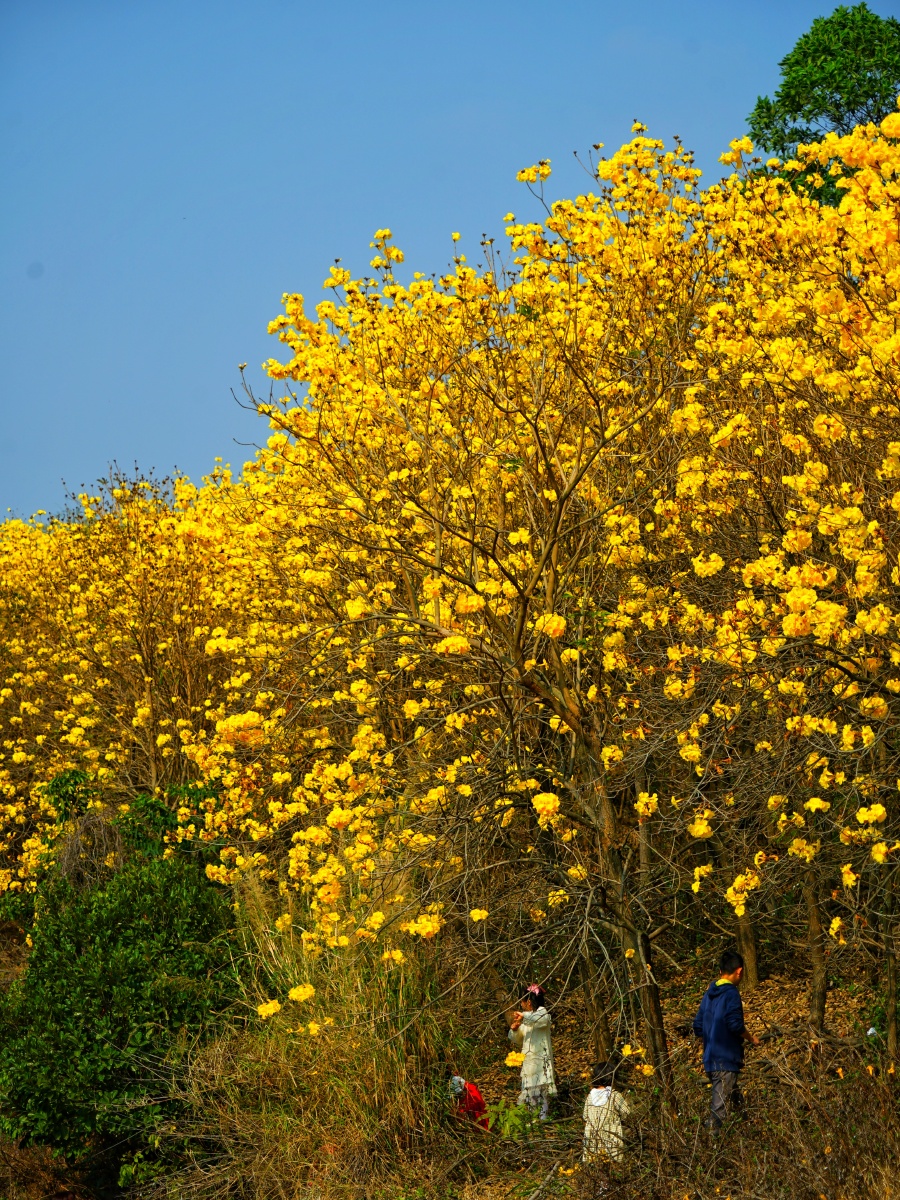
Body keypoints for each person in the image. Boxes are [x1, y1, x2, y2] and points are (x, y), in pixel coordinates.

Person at [692, 948, 760, 1129]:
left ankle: (747, 1135)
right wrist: (751, 1038)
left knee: (735, 1101)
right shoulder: (731, 993)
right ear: (739, 971)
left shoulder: (709, 995)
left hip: (710, 1059)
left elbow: (697, 1026)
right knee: (718, 1112)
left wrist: (712, 1035)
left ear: (720, 972)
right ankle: (710, 1148)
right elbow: (735, 1024)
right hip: (725, 1060)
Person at [508, 983, 557, 1120]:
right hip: (529, 1063)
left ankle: (542, 1120)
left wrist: (523, 1016)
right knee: (530, 1095)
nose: (521, 1005)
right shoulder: (527, 1018)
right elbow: (518, 1039)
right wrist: (515, 1029)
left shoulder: (542, 1013)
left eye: (522, 1002)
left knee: (541, 1096)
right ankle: (534, 1121)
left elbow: (541, 1021)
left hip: (541, 1063)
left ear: (528, 1002)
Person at [582, 1061, 630, 1163]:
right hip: (611, 1139)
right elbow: (626, 1113)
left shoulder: (590, 1096)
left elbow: (585, 1116)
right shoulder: (614, 1095)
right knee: (613, 1166)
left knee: (595, 1166)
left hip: (592, 1141)